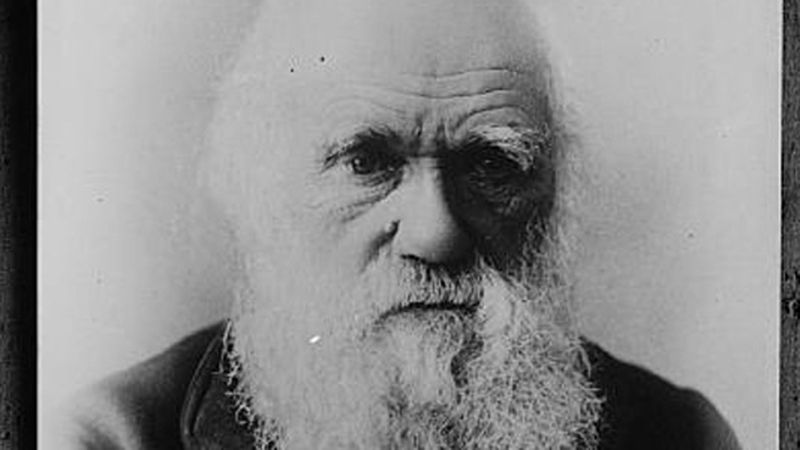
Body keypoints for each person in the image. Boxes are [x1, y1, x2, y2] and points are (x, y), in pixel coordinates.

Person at [52, 0, 741, 448]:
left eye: (491, 164)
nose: (435, 235)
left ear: (555, 192)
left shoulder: (682, 436)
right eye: (366, 162)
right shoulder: (105, 438)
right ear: (260, 191)